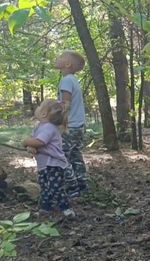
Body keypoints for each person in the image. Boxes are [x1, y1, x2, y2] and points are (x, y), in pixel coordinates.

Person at [22, 100, 75, 218]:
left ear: (44, 114)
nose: (37, 107)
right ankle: (45, 209)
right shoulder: (41, 127)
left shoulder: (49, 128)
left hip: (54, 165)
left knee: (55, 187)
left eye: (40, 106)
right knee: (45, 187)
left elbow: (40, 142)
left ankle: (66, 209)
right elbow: (38, 146)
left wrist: (26, 142)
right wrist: (32, 148)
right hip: (45, 165)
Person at [55, 50, 88, 197]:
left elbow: (66, 104)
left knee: (62, 156)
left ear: (67, 64)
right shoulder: (73, 80)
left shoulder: (67, 80)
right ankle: (82, 183)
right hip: (79, 125)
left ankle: (71, 187)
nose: (57, 58)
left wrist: (61, 124)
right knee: (75, 154)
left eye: (61, 57)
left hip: (70, 126)